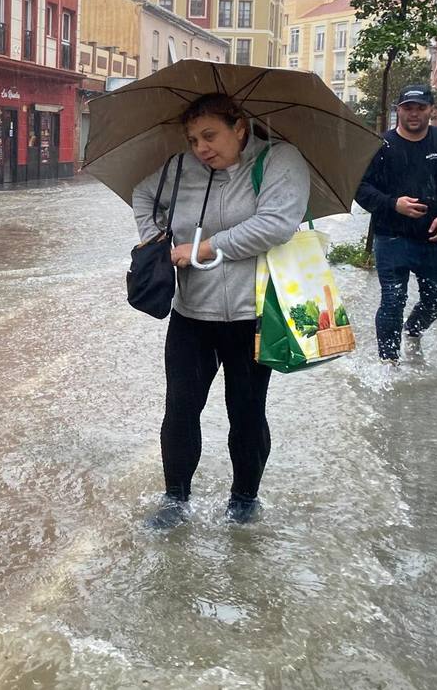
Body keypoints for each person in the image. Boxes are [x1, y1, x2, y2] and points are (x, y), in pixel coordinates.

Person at [132, 93, 310, 527]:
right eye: (193, 139)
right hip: (191, 312)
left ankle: (244, 500)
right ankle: (175, 501)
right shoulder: (179, 168)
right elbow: (142, 195)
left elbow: (275, 224)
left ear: (240, 127)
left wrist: (205, 248)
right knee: (180, 408)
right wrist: (158, 242)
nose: (201, 148)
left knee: (246, 410)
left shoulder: (280, 161)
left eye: (210, 135)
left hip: (253, 313)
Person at [354, 84, 437, 368]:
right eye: (408, 108)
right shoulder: (380, 146)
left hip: (434, 239)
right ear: (399, 110)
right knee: (392, 300)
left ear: (431, 109)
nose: (414, 113)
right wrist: (394, 204)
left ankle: (414, 330)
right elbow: (361, 188)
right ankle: (389, 362)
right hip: (391, 237)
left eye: (421, 107)